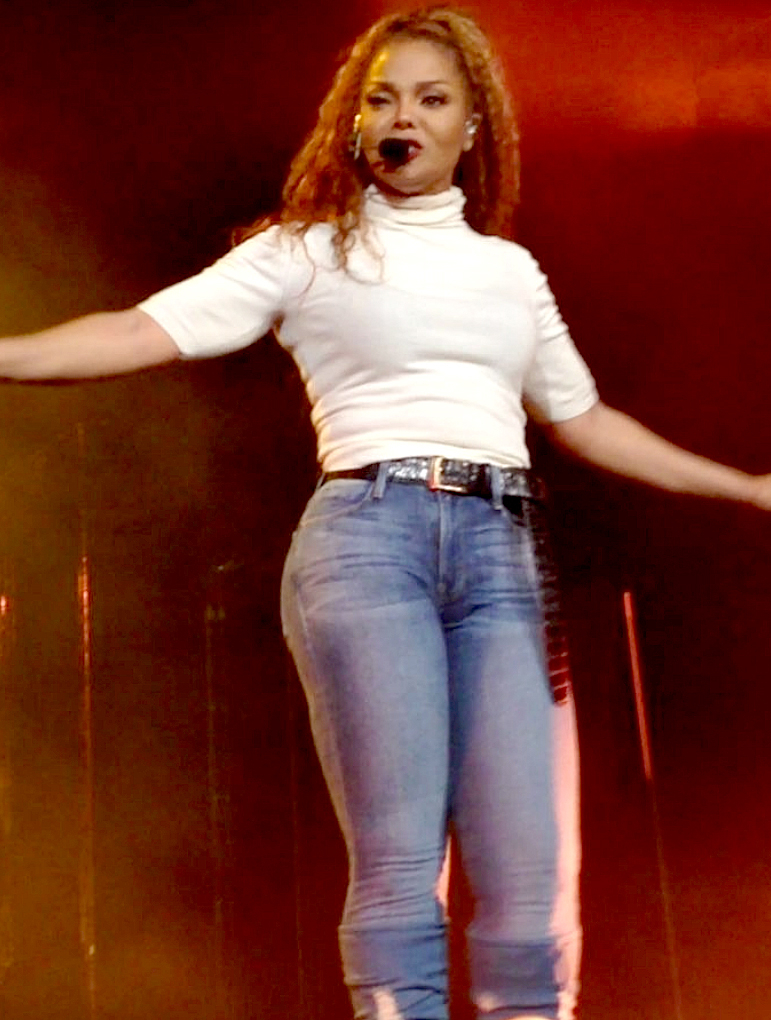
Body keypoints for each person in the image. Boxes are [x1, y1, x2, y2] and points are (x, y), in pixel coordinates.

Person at [1, 6, 769, 1019]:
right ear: (356, 123)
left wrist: (747, 486)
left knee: (530, 865)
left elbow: (589, 423)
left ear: (472, 126)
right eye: (383, 97)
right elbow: (143, 329)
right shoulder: (304, 250)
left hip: (503, 553)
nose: (404, 113)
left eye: (431, 97)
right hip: (370, 542)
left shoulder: (509, 274)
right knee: (404, 854)